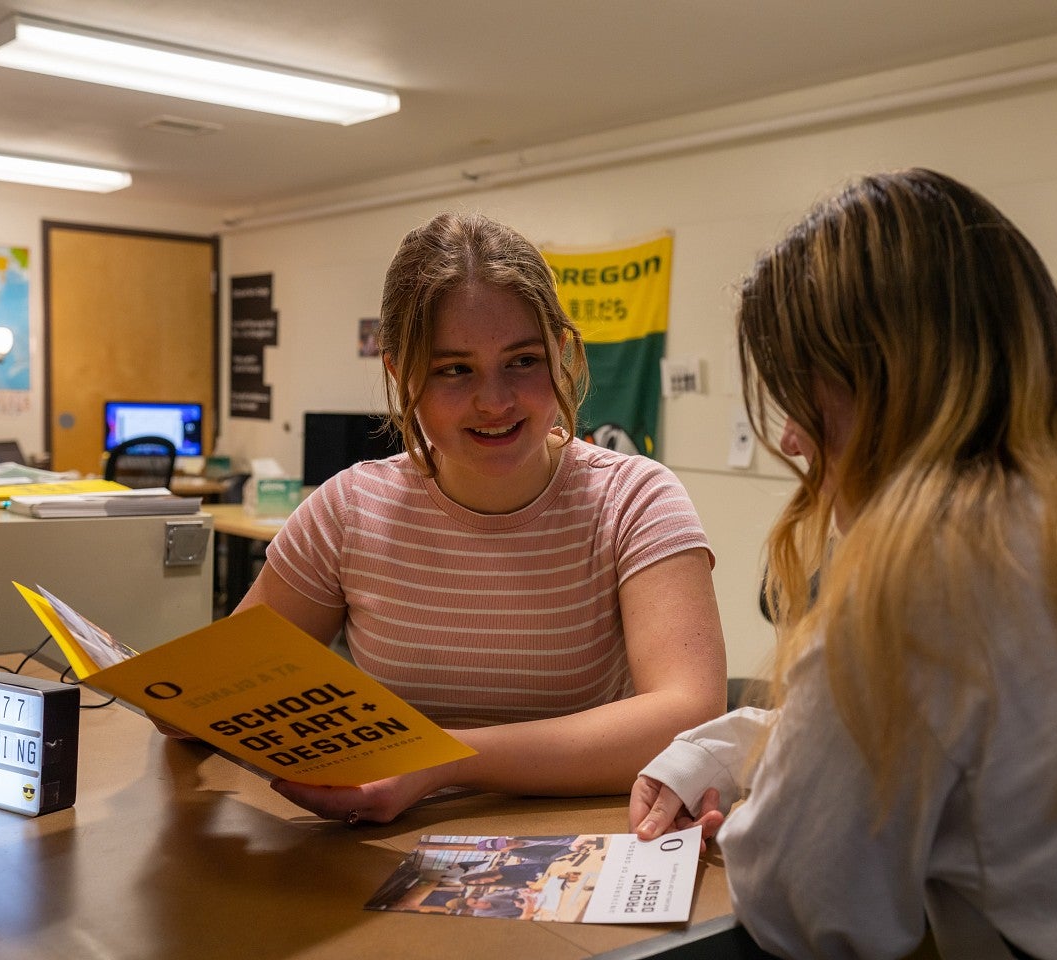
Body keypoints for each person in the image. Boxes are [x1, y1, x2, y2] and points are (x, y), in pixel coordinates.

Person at [629, 169, 1057, 958]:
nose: (791, 438)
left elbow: (811, 907)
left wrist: (754, 829)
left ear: (878, 379)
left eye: (801, 393)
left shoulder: (921, 582)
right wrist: (732, 752)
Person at [177, 211, 726, 823]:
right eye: (453, 370)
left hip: (578, 847)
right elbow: (220, 690)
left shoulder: (637, 499)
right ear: (401, 372)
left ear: (563, 353)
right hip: (380, 853)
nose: (494, 401)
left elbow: (688, 713)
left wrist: (442, 762)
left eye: (522, 360)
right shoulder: (349, 510)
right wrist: (167, 696)